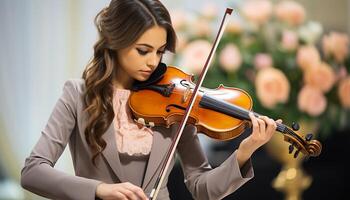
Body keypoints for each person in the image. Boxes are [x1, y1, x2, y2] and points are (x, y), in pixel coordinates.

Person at [20, 0, 282, 199]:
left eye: (159, 51)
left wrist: (243, 153)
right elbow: (32, 171)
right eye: (143, 50)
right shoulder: (77, 95)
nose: (153, 62)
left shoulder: (176, 101)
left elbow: (201, 188)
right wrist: (99, 190)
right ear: (115, 41)